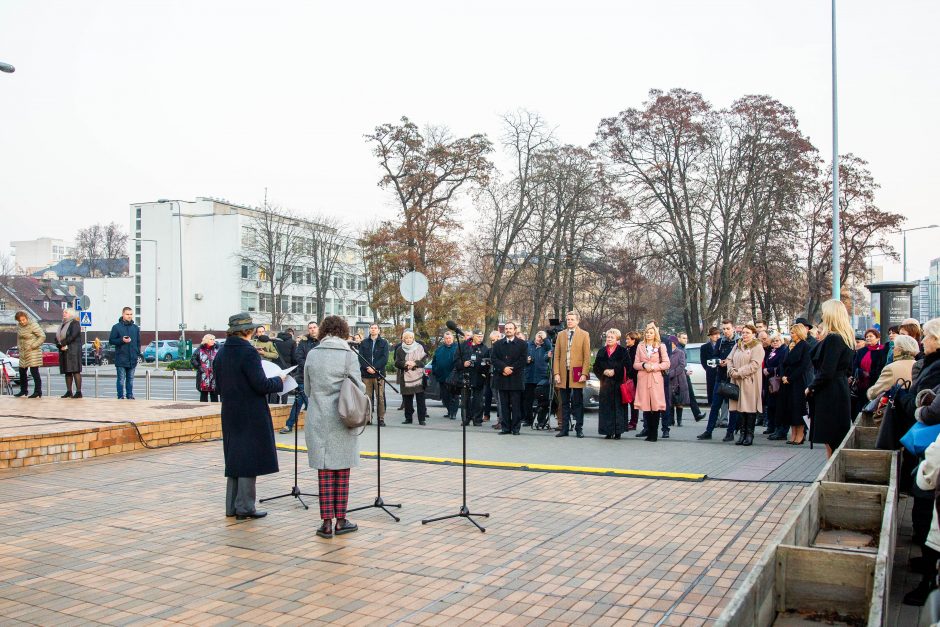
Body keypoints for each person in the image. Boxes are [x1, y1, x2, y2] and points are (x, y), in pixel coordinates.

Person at [214, 312, 287, 520]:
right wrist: (280, 380)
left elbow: (218, 385)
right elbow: (261, 385)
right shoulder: (249, 352)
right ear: (248, 331)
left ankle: (232, 506)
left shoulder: (221, 352)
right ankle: (245, 507)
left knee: (235, 457)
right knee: (248, 458)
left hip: (230, 410)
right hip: (250, 412)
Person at [304, 315, 364, 538]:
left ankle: (326, 523)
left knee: (325, 470)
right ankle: (341, 520)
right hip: (343, 418)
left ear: (322, 331)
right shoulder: (349, 355)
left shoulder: (312, 354)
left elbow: (308, 389)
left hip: (318, 418)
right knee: (342, 469)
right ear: (344, 331)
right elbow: (359, 389)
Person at [806, 299, 856, 458]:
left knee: (831, 438)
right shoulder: (845, 337)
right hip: (837, 388)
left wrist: (811, 387)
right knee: (833, 438)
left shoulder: (834, 338)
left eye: (824, 312)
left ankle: (830, 473)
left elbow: (827, 370)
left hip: (830, 391)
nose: (822, 315)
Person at [553, 311, 592, 438]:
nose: (569, 321)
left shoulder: (584, 335)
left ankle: (579, 428)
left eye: (572, 319)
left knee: (578, 402)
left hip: (577, 373)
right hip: (564, 373)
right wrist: (556, 373)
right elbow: (557, 356)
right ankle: (564, 428)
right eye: (568, 319)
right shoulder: (561, 334)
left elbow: (587, 356)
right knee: (564, 402)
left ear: (577, 321)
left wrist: (585, 373)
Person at [726, 324, 765, 446]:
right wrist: (731, 370)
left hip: (750, 381)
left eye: (747, 332)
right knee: (740, 409)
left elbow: (754, 364)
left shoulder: (757, 346)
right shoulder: (737, 345)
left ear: (753, 334)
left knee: (749, 408)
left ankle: (749, 434)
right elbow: (729, 359)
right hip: (736, 381)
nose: (744, 335)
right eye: (743, 332)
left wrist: (739, 372)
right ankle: (742, 434)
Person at [773, 324, 812, 444]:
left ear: (799, 333)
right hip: (787, 382)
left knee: (798, 409)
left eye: (793, 333)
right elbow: (784, 363)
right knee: (789, 408)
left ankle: (800, 434)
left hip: (798, 382)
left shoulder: (805, 346)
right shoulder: (791, 346)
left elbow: (804, 366)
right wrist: (784, 376)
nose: (791, 335)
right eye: (790, 332)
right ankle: (793, 433)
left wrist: (790, 378)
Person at [698, 320, 737, 440]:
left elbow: (741, 358)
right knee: (715, 405)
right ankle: (708, 431)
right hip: (720, 378)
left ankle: (730, 432)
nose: (725, 331)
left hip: (733, 378)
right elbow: (714, 355)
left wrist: (729, 363)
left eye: (728, 328)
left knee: (733, 407)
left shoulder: (738, 342)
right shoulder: (720, 341)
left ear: (733, 329)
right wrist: (719, 361)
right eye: (724, 329)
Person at [280, 322, 318, 434]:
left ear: (318, 328)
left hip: (318, 377)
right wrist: (309, 367)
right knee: (299, 401)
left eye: (314, 327)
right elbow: (298, 357)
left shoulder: (323, 341)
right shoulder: (303, 342)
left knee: (312, 403)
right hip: (303, 376)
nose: (312, 330)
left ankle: (292, 425)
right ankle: (289, 425)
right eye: (310, 328)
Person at [634, 323, 670, 442]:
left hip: (655, 379)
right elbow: (635, 364)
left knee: (655, 406)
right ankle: (648, 431)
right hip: (643, 378)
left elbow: (666, 363)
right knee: (646, 406)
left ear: (655, 334)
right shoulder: (640, 346)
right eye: (647, 332)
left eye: (651, 332)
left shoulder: (661, 346)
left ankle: (654, 434)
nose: (649, 335)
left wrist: (654, 367)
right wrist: (644, 365)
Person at [491, 321, 528, 435]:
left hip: (516, 378)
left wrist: (511, 369)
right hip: (502, 378)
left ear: (515, 330)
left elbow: (523, 359)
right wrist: (504, 368)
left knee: (516, 405)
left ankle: (516, 428)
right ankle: (505, 428)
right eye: (506, 328)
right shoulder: (497, 344)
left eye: (510, 328)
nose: (508, 330)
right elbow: (494, 358)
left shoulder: (522, 344)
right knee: (504, 405)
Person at [593, 329, 627, 439]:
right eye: (608, 337)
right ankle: (607, 431)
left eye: (612, 337)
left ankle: (618, 432)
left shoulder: (623, 351)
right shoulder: (602, 351)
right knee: (606, 408)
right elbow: (596, 366)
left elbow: (628, 367)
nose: (609, 339)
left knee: (618, 408)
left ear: (617, 339)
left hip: (618, 384)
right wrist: (603, 371)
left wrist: (615, 371)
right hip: (605, 384)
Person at [866, 334, 918, 400]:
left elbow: (873, 393)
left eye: (893, 347)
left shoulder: (891, 368)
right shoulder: (918, 364)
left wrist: (869, 392)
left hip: (897, 408)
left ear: (899, 350)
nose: (892, 350)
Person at [851, 328, 888, 417]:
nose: (868, 338)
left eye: (871, 336)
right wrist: (861, 372)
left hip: (875, 383)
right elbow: (854, 366)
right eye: (867, 336)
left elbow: (882, 367)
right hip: (861, 384)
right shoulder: (861, 351)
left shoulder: (882, 351)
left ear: (878, 338)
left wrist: (870, 374)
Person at [457, 330, 490, 426]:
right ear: (473, 336)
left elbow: (488, 363)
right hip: (466, 375)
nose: (480, 338)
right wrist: (463, 363)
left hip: (478, 376)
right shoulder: (464, 346)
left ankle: (477, 419)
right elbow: (456, 359)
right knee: (465, 399)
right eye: (478, 336)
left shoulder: (484, 348)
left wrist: (485, 367)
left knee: (478, 400)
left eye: (481, 336)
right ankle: (466, 419)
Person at [359, 323, 389, 427]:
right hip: (366, 374)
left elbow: (385, 358)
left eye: (375, 328)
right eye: (371, 328)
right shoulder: (363, 342)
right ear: (370, 330)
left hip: (378, 374)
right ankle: (368, 418)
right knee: (367, 397)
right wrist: (367, 367)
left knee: (380, 397)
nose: (373, 330)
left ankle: (381, 418)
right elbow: (360, 357)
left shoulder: (384, 343)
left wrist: (375, 368)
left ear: (378, 330)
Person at [395, 330, 428, 425]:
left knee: (420, 400)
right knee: (407, 400)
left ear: (413, 338)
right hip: (405, 378)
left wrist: (414, 363)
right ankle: (408, 418)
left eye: (410, 338)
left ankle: (422, 419)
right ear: (403, 339)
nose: (408, 340)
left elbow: (424, 361)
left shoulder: (419, 347)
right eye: (406, 338)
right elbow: (397, 363)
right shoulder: (400, 349)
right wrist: (405, 363)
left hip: (419, 377)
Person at [109, 307, 141, 400]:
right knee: (121, 379)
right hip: (121, 358)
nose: (129, 316)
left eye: (131, 314)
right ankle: (120, 396)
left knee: (130, 379)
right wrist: (121, 340)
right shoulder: (116, 327)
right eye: (127, 314)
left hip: (132, 358)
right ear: (123, 314)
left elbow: (138, 342)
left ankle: (130, 395)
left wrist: (137, 352)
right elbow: (111, 340)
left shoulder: (135, 328)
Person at [762, 331, 788, 436]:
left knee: (777, 406)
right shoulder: (772, 351)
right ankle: (771, 426)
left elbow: (782, 365)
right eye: (773, 341)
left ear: (781, 341)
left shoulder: (783, 350)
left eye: (777, 340)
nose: (775, 342)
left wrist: (770, 369)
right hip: (769, 381)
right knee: (770, 405)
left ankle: (779, 428)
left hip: (777, 381)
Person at [524, 331, 553, 427]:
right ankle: (528, 420)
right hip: (529, 377)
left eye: (541, 337)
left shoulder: (545, 347)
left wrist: (545, 339)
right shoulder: (528, 345)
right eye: (538, 336)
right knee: (527, 401)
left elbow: (551, 349)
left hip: (542, 377)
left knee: (542, 401)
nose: (539, 338)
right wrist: (526, 360)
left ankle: (541, 420)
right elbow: (521, 356)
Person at [13, 311, 43, 398]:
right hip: (23, 352)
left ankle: (38, 391)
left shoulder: (33, 325)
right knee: (22, 371)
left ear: (27, 318)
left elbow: (42, 336)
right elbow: (19, 338)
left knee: (34, 372)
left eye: (23, 320)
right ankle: (23, 390)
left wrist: (33, 345)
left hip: (33, 352)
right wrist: (19, 346)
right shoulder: (19, 327)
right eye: (20, 320)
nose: (22, 322)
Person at [676, 332, 705, 422]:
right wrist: (685, 371)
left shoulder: (683, 348)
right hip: (679, 376)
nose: (686, 340)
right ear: (678, 338)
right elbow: (676, 364)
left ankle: (697, 415)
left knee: (690, 395)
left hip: (684, 374)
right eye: (683, 338)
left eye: (686, 338)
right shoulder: (678, 349)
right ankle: (673, 420)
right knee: (678, 396)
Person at [56, 308, 83, 398]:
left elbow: (73, 336)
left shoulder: (75, 323)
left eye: (66, 312)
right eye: (63, 312)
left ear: (71, 314)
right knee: (67, 371)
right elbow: (58, 336)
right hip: (64, 350)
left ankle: (78, 392)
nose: (63, 314)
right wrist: (59, 344)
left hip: (73, 350)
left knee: (75, 370)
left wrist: (63, 343)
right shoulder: (62, 324)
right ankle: (69, 391)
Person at [432, 331, 459, 419]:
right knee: (445, 396)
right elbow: (434, 362)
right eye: (446, 338)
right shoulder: (439, 349)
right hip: (442, 377)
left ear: (453, 338)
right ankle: (449, 411)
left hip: (453, 377)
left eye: (449, 338)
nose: (448, 340)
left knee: (454, 396)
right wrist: (435, 370)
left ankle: (453, 413)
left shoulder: (458, 348)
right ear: (444, 339)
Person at [667, 334, 691, 427]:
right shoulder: (666, 352)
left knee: (679, 401)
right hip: (669, 380)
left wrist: (671, 373)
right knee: (671, 401)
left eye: (671, 342)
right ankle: (671, 420)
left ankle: (679, 420)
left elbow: (682, 365)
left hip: (679, 379)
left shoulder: (680, 352)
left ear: (674, 343)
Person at [191, 334, 220, 402]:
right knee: (204, 394)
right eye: (211, 339)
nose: (213, 341)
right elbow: (193, 359)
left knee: (214, 394)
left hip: (214, 375)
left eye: (213, 339)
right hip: (204, 375)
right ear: (206, 340)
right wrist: (199, 367)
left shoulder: (217, 349)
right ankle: (203, 409)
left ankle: (214, 409)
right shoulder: (200, 349)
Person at [483, 329, 503, 424]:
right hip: (491, 377)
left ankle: (501, 420)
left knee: (500, 400)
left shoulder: (503, 349)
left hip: (500, 377)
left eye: (494, 340)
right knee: (494, 398)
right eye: (491, 340)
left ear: (499, 338)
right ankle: (499, 420)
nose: (493, 342)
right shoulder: (490, 350)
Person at [700, 327, 721, 407]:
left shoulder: (722, 345)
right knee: (712, 392)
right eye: (715, 334)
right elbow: (703, 361)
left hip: (721, 372)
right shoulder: (704, 347)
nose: (717, 336)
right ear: (711, 336)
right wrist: (709, 369)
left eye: (718, 334)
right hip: (711, 373)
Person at [624, 331, 641, 430]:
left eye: (628, 339)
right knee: (627, 399)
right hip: (628, 378)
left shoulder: (635, 350)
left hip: (633, 379)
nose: (626, 341)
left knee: (633, 401)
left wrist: (629, 375)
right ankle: (629, 421)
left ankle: (633, 422)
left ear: (634, 340)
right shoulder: (627, 349)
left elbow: (633, 366)